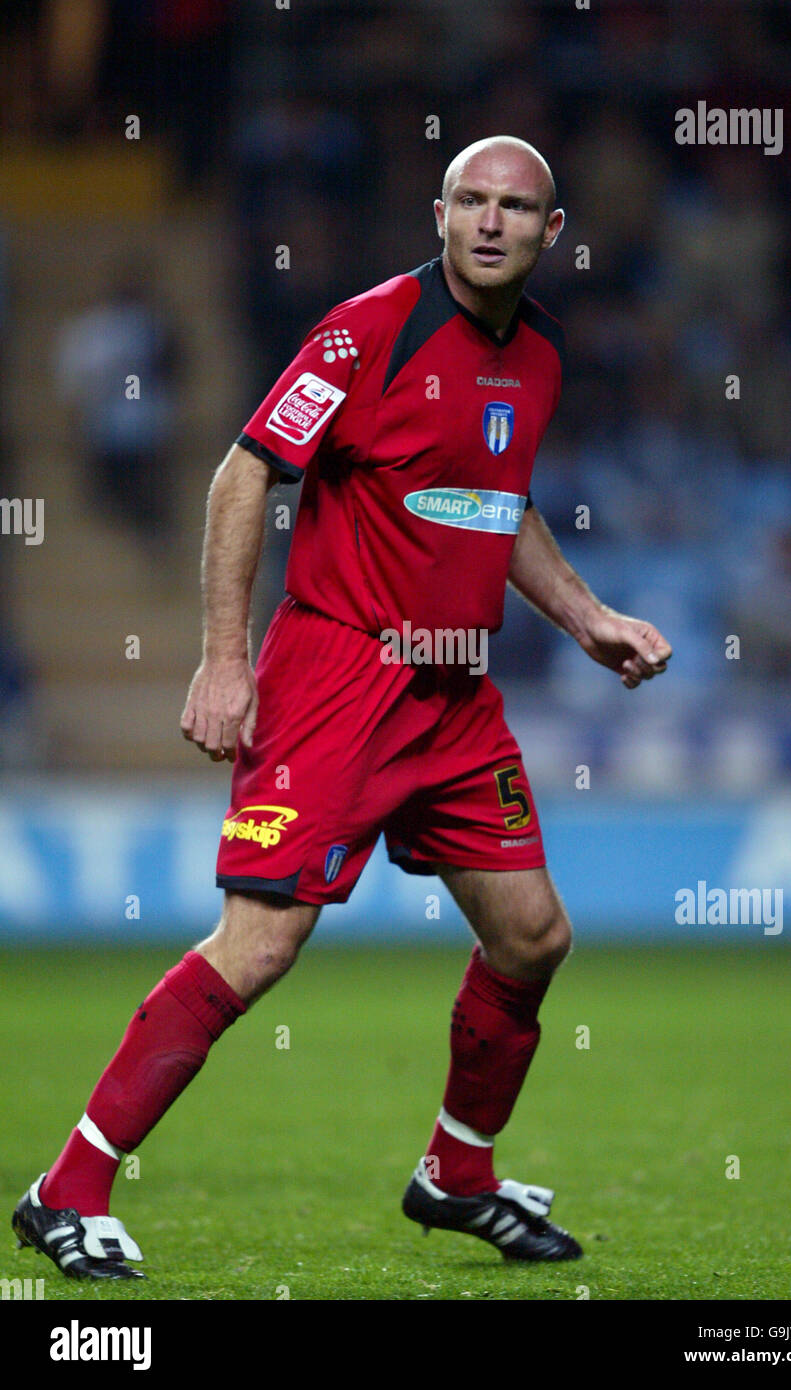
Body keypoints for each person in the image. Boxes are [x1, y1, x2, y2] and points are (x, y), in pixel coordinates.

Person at [13, 136, 671, 1280]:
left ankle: (456, 1173)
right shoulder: (368, 327)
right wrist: (226, 662)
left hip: (453, 691)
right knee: (262, 943)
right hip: (336, 678)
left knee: (530, 935)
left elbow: (495, 507)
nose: (488, 220)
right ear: (437, 212)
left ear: (549, 234)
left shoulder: (543, 358)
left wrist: (587, 616)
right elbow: (243, 471)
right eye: (469, 198)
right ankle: (66, 1190)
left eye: (515, 207)